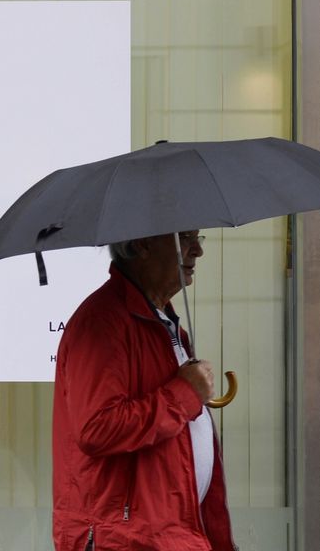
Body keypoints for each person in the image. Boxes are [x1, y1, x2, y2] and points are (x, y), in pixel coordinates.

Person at [52, 231, 236, 551]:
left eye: (198, 238)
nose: (197, 251)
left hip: (168, 535)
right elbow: (98, 427)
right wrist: (185, 394)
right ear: (142, 245)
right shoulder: (103, 321)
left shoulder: (161, 321)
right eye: (185, 239)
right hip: (128, 540)